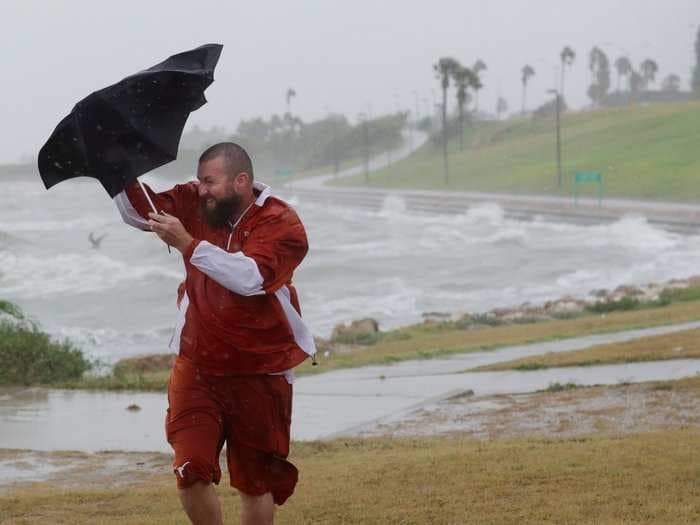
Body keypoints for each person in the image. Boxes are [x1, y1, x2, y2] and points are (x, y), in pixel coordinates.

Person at [114, 142, 315, 525]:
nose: (201, 189)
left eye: (210, 181)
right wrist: (117, 171)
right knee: (189, 470)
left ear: (241, 180)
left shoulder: (281, 222)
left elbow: (252, 278)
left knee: (256, 484)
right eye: (200, 181)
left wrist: (188, 245)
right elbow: (144, 215)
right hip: (197, 363)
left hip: (260, 369)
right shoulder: (195, 201)